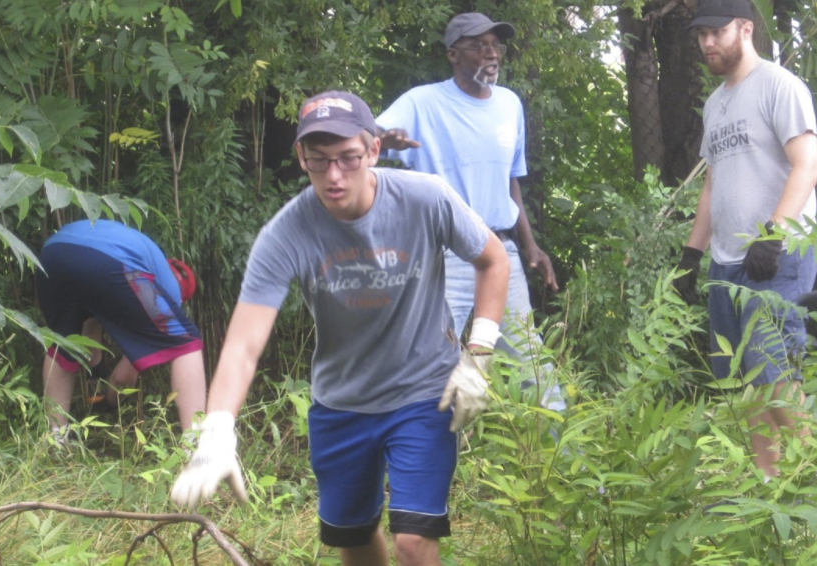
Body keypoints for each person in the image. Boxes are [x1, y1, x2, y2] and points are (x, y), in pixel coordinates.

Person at [171, 91, 509, 566]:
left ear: (372, 150)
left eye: (348, 158)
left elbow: (492, 259)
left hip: (424, 391)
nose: (333, 175)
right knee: (353, 538)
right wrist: (218, 428)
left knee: (413, 539)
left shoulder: (425, 198)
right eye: (319, 160)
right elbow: (244, 344)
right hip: (342, 402)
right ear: (301, 158)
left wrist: (479, 354)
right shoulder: (286, 233)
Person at [375, 12, 564, 411]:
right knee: (426, 362)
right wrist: (380, 138)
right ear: (453, 54)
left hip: (501, 249)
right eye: (479, 46)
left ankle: (567, 458)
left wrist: (530, 246)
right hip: (445, 254)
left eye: (496, 45)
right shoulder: (422, 102)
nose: (491, 54)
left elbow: (511, 181)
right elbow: (369, 139)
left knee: (531, 361)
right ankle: (417, 462)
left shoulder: (510, 105)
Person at [673, 0, 817, 481]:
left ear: (746, 29)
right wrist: (692, 254)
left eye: (716, 32)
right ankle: (772, 494)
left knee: (773, 373)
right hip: (727, 262)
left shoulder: (779, 86)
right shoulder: (715, 105)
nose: (706, 42)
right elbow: (714, 183)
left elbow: (808, 165)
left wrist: (773, 234)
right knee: (745, 386)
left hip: (779, 257)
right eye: (701, 34)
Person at [37, 219, 206, 437]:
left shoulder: (146, 253)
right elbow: (123, 378)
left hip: (52, 254)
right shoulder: (168, 290)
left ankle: (55, 440)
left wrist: (96, 373)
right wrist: (109, 404)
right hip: (111, 260)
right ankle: (195, 445)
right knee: (187, 341)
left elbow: (90, 328)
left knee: (65, 343)